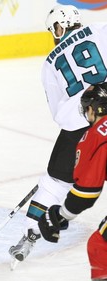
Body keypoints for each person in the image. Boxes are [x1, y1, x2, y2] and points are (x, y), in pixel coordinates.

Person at [8, 4, 107, 267]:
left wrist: (79, 115)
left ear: (58, 28)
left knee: (55, 182)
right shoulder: (99, 30)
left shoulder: (49, 62)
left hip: (79, 124)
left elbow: (58, 113)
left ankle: (31, 233)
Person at [38, 82, 107, 281]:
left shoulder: (96, 135)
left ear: (93, 109)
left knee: (100, 245)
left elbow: (87, 192)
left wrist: (60, 216)